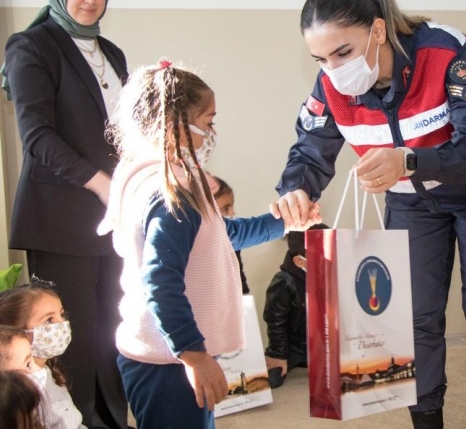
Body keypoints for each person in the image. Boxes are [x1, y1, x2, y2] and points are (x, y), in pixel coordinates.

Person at [270, 0, 466, 429]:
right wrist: (295, 189)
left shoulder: (448, 53)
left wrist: (409, 161)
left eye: (343, 52)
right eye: (320, 59)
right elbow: (311, 149)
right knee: (413, 322)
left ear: (377, 31)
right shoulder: (332, 84)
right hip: (412, 204)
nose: (333, 70)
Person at [100, 61, 318, 429]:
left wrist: (284, 222)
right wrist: (195, 356)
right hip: (169, 363)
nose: (211, 131)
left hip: (168, 357)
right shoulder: (170, 194)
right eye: (208, 120)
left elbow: (221, 234)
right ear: (175, 128)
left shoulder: (164, 177)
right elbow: (160, 282)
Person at [0, 0, 129, 427]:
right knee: (69, 340)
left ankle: (115, 418)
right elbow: (37, 137)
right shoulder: (30, 46)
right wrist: (99, 183)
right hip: (59, 220)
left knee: (114, 330)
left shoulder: (112, 52)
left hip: (115, 216)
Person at [0, 280, 85, 428]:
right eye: (50, 320)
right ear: (19, 330)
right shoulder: (24, 392)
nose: (63, 324)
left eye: (62, 314)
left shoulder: (46, 369)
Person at [263, 224, 328, 388]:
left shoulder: (330, 274)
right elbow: (275, 321)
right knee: (271, 380)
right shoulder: (284, 281)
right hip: (293, 348)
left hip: (323, 344)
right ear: (300, 261)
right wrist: (279, 354)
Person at [211, 175, 250, 294]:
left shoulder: (232, 237)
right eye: (225, 209)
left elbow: (238, 275)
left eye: (232, 206)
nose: (232, 213)